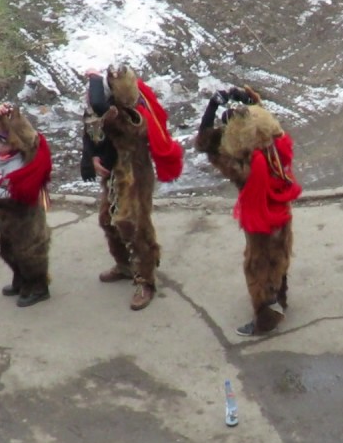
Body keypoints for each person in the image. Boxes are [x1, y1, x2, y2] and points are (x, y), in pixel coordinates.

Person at [194, 86, 301, 336]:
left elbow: (205, 142)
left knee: (258, 267)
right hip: (281, 214)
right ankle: (280, 299)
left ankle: (266, 319)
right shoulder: (277, 144)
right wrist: (253, 104)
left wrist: (213, 106)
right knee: (278, 259)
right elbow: (263, 122)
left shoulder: (243, 166)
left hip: (259, 221)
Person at [81, 65, 184, 310]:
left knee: (134, 225)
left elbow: (103, 110)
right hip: (114, 174)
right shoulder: (104, 107)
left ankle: (146, 280)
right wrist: (92, 157)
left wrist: (95, 79)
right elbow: (91, 130)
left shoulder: (132, 115)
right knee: (107, 220)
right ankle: (125, 266)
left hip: (135, 175)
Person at [0, 102, 53, 307]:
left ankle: (39, 287)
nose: (0, 141)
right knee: (7, 249)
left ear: (16, 143)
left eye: (5, 138)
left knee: (29, 252)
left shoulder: (19, 165)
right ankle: (20, 280)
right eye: (0, 135)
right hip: (5, 214)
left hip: (24, 216)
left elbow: (16, 195)